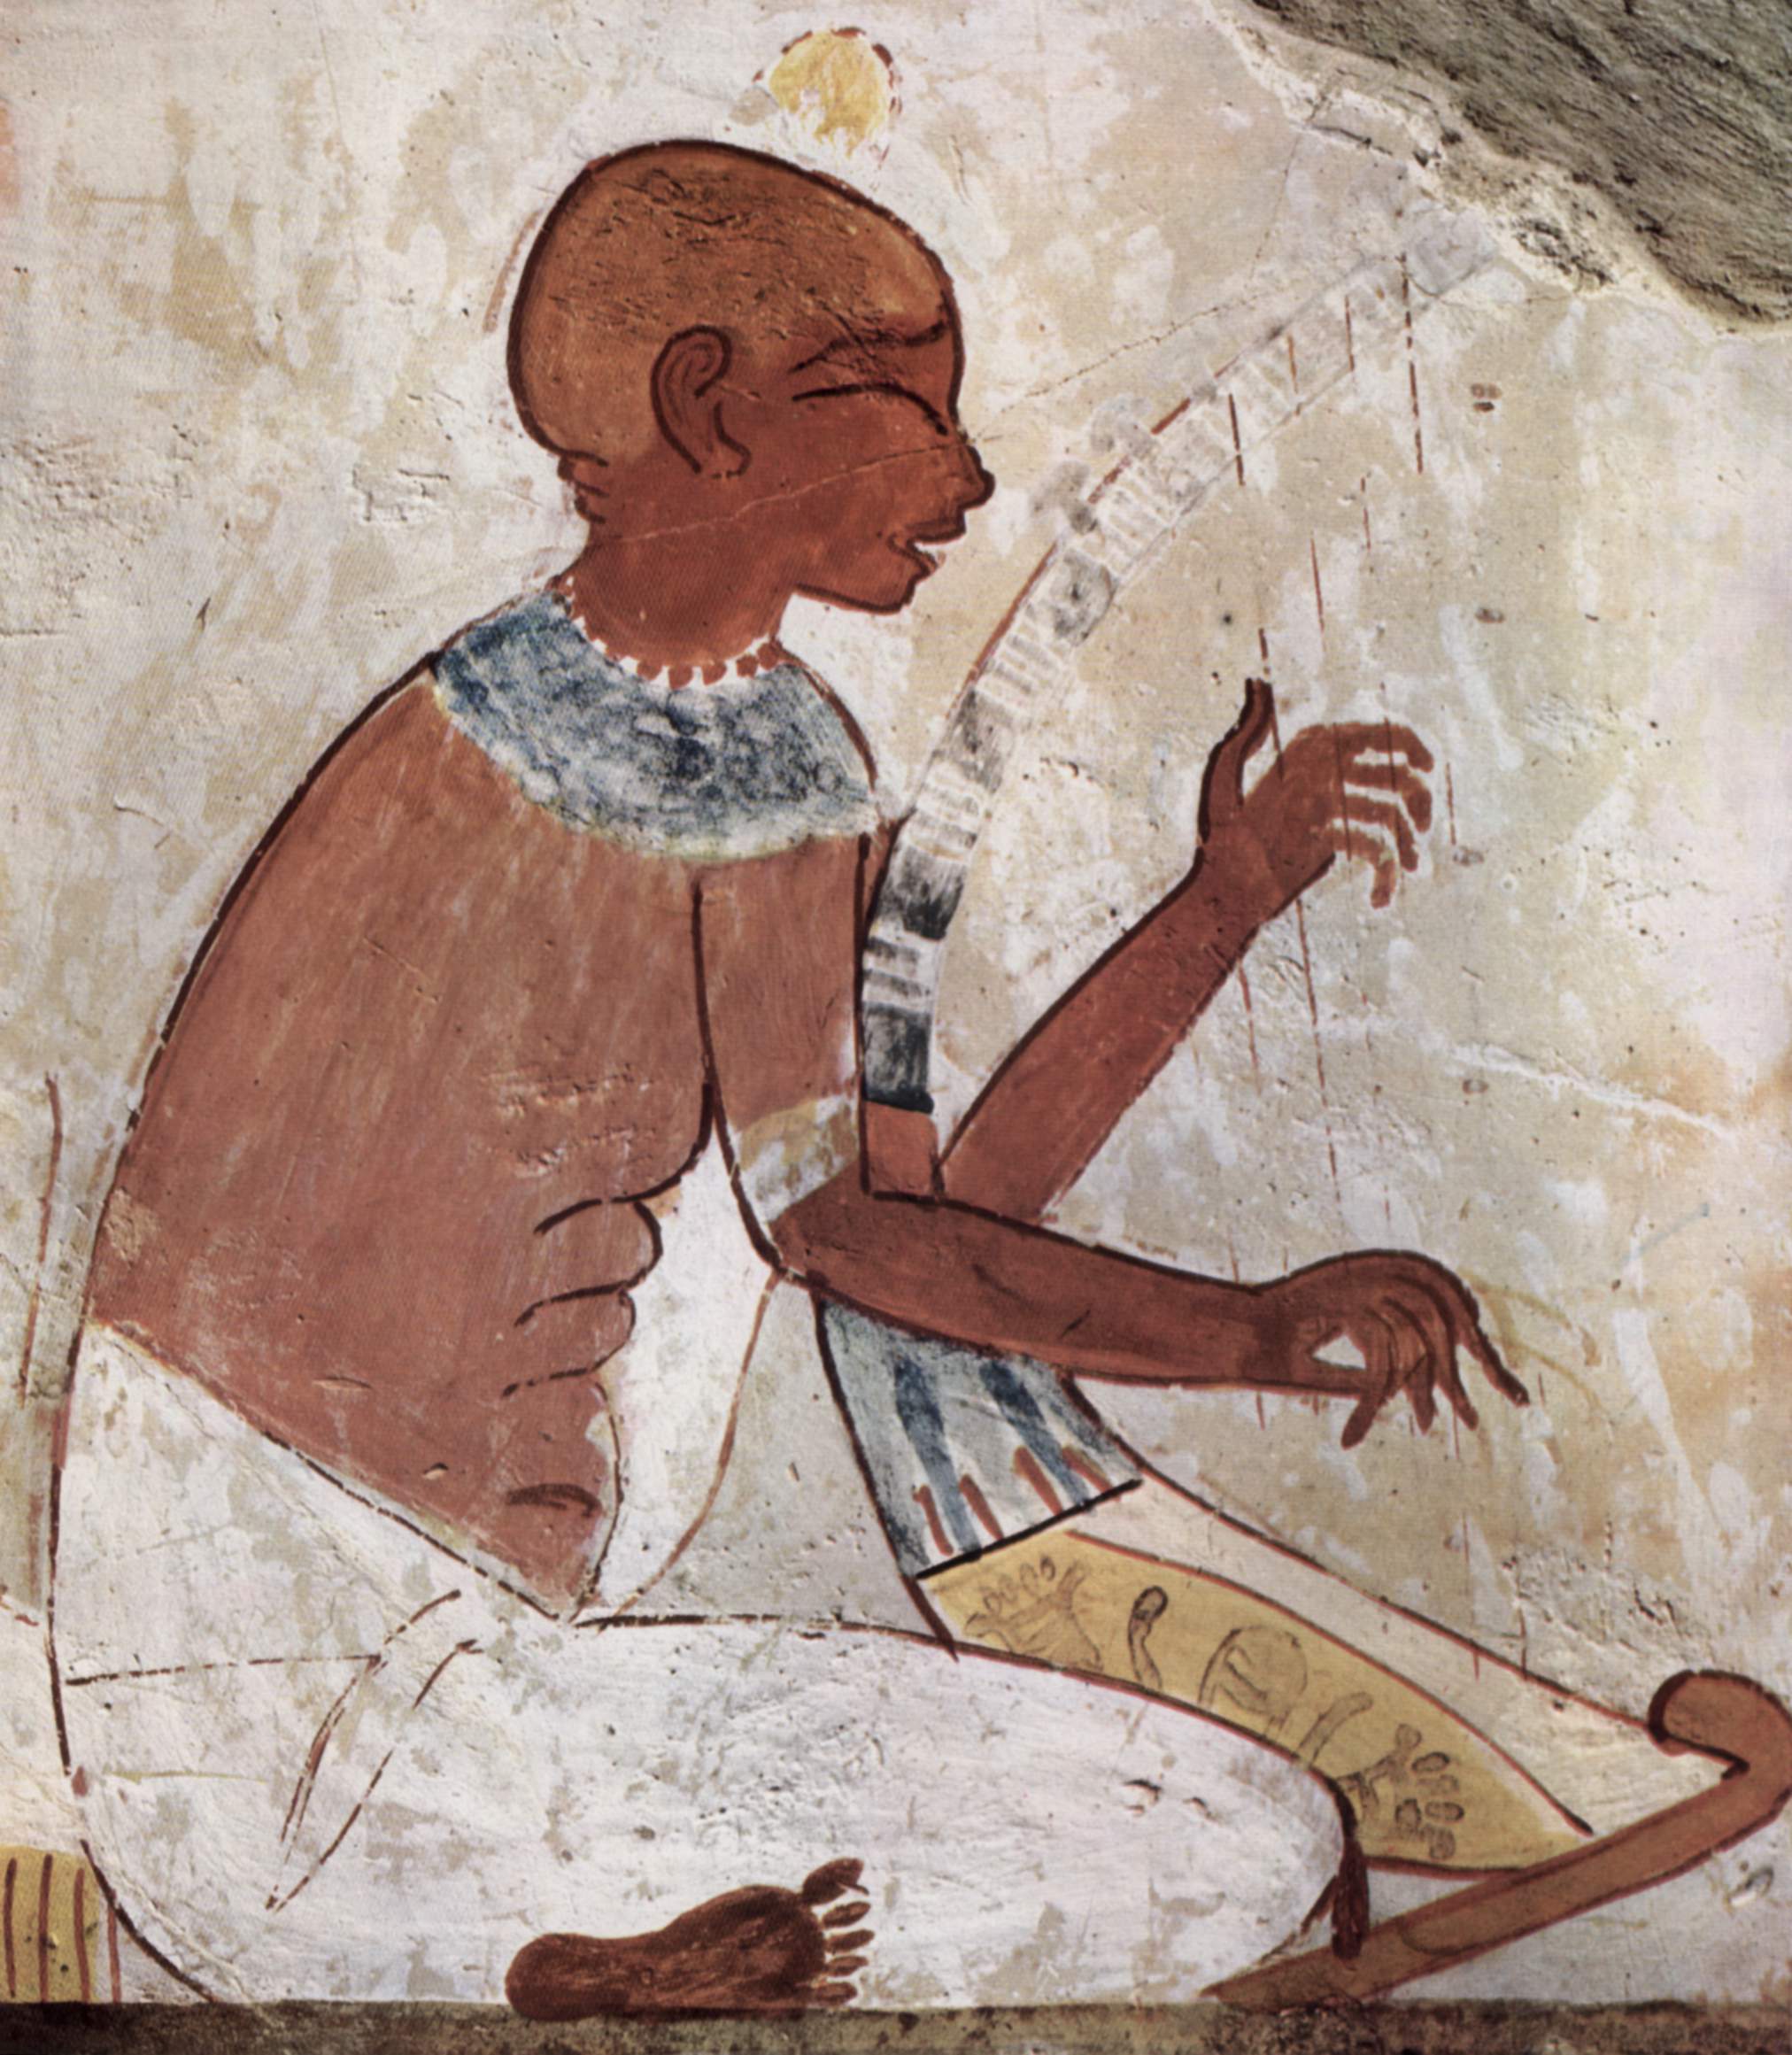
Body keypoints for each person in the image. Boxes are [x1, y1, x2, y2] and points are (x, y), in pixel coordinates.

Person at [48, 140, 1734, 2015]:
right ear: (710, 410)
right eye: (900, 407)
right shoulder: (741, 765)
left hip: (246, 1734)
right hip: (398, 1722)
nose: (964, 474)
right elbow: (871, 1243)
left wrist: (1221, 900)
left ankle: (560, 1936)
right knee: (1249, 1843)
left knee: (1235, 1828)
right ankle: (539, 1948)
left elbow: (923, 1227)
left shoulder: (534, 707)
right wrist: (1253, 1331)